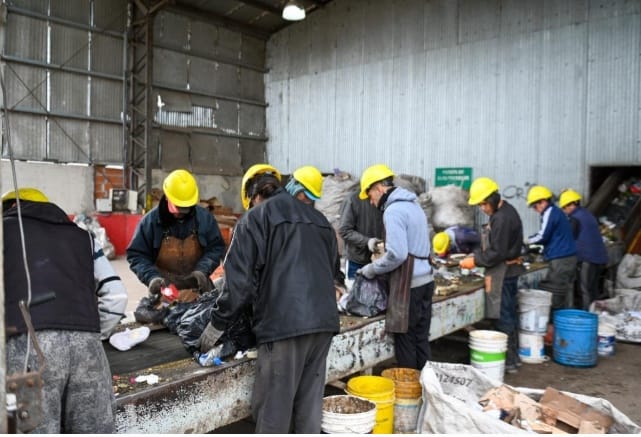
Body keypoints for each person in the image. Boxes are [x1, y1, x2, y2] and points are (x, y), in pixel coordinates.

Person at [199, 165, 340, 433]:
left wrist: (217, 323)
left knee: (274, 410)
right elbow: (334, 274)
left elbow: (237, 285)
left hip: (284, 328)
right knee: (308, 408)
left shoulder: (253, 219)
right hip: (324, 325)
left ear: (252, 197)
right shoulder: (320, 221)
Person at [3, 188, 127, 433]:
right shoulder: (84, 237)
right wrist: (90, 333)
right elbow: (117, 296)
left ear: (9, 208)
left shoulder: (2, 231)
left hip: (29, 351)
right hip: (88, 349)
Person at [355, 164, 434, 370]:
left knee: (406, 341)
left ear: (379, 188)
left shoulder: (393, 211)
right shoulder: (414, 205)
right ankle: (425, 392)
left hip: (410, 287)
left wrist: (371, 269)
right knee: (421, 339)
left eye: (370, 196)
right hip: (426, 281)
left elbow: (397, 254)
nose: (372, 202)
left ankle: (408, 396)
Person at [127, 169, 226, 308]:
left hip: (198, 291)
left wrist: (202, 270)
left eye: (186, 208)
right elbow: (137, 255)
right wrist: (151, 277)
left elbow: (216, 248)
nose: (181, 213)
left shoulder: (204, 219)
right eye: (178, 208)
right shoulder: (150, 222)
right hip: (164, 293)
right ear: (167, 196)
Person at [460, 177, 526, 373]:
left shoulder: (502, 218)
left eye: (483, 203)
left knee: (504, 315)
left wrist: (475, 260)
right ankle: (512, 358)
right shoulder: (504, 211)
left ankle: (509, 361)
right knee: (508, 314)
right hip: (505, 270)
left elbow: (497, 252)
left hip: (504, 273)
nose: (482, 208)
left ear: (493, 199)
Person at [526, 185, 577, 310]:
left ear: (543, 202)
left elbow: (543, 236)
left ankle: (553, 323)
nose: (535, 209)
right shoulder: (557, 212)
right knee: (563, 292)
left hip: (561, 258)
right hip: (567, 256)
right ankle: (561, 320)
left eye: (535, 206)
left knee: (555, 293)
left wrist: (526, 241)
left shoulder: (550, 212)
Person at [559, 188, 608, 310]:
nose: (564, 211)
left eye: (564, 208)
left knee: (584, 289)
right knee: (593, 289)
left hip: (588, 258)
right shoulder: (586, 214)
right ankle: (596, 314)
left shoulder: (575, 218)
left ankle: (587, 316)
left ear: (571, 205)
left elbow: (569, 239)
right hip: (599, 258)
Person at [338, 188, 384, 281]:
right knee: (357, 292)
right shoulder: (352, 199)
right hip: (358, 260)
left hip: (380, 260)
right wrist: (367, 242)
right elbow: (344, 230)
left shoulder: (386, 200)